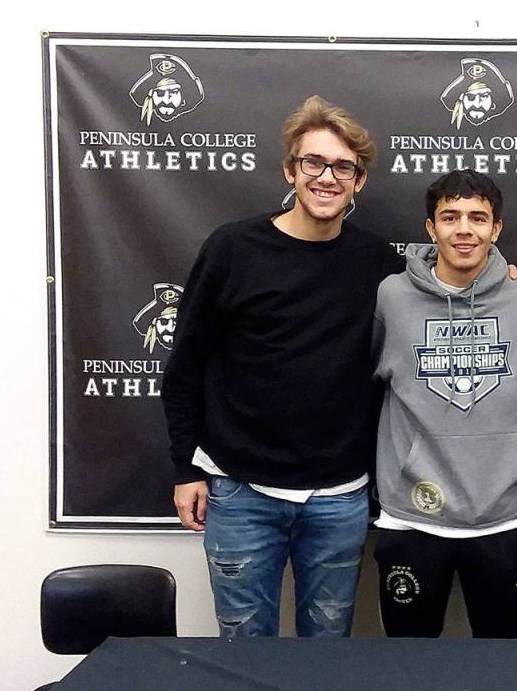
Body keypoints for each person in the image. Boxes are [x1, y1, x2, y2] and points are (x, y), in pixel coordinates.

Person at [162, 96, 403, 638]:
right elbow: (185, 367)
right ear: (290, 170)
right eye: (313, 163)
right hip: (239, 490)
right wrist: (185, 467)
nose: (326, 177)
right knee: (245, 651)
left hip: (340, 495)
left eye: (343, 167)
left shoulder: (379, 262)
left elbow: (450, 293)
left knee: (326, 651)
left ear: (359, 181)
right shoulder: (232, 249)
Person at [372, 169, 517, 638]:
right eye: (450, 217)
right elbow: (363, 384)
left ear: (497, 229)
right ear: (430, 228)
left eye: (478, 218)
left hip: (503, 517)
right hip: (411, 516)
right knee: (410, 667)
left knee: (502, 666)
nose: (464, 229)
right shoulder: (391, 297)